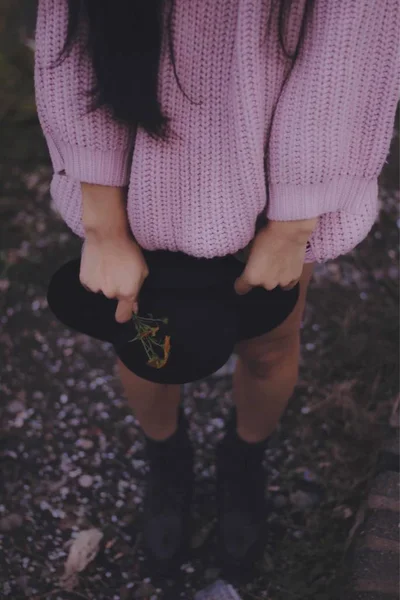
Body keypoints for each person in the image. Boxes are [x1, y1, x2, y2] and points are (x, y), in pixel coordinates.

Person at [34, 0, 399, 575]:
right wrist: (104, 222)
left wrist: (293, 224)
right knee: (145, 343)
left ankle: (244, 458)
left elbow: (352, 44)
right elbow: (71, 27)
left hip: (277, 181)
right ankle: (167, 456)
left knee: (271, 345)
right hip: (138, 178)